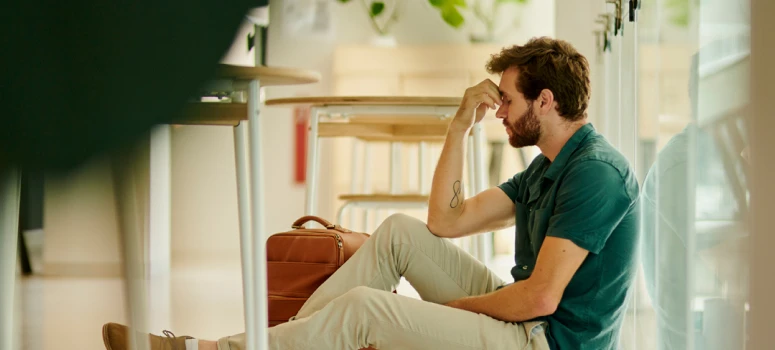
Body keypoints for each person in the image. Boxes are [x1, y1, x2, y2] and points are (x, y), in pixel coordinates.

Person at [102, 37, 640, 350]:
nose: (498, 110)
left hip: (545, 341)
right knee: (399, 233)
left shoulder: (595, 172)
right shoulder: (545, 167)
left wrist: (458, 309)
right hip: (527, 320)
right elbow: (445, 222)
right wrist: (459, 126)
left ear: (544, 101)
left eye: (506, 100)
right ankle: (280, 345)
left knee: (365, 308)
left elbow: (539, 299)